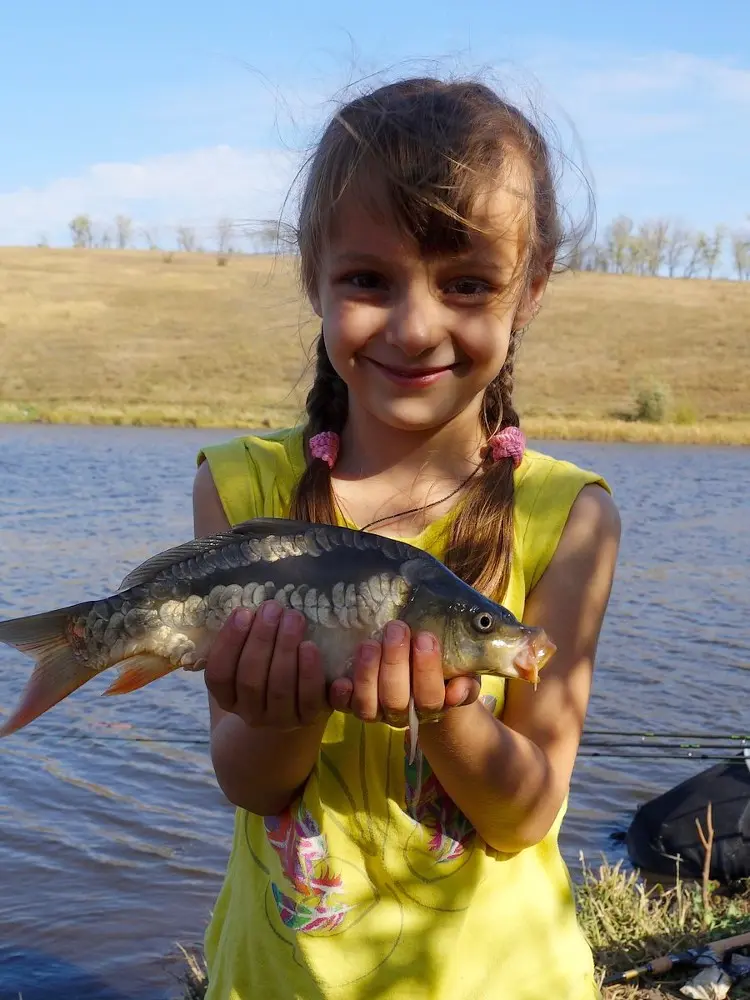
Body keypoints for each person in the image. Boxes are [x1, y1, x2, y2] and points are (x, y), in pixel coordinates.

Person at [192, 75, 621, 1000]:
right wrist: (287, 708)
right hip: (279, 980)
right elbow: (249, 781)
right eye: (367, 279)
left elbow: (528, 812)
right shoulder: (241, 490)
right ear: (314, 270)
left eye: (467, 283)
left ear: (532, 288)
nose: (417, 324)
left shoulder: (572, 518)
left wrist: (455, 710)